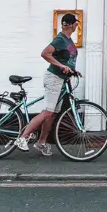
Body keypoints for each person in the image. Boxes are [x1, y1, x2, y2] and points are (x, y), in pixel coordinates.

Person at [15, 13, 81, 156]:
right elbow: (45, 54)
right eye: (76, 23)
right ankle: (23, 137)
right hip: (54, 78)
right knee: (48, 111)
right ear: (70, 24)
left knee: (52, 114)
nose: (77, 25)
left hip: (62, 79)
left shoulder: (68, 40)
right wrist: (60, 66)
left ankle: (41, 142)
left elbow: (67, 59)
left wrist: (73, 71)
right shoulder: (60, 39)